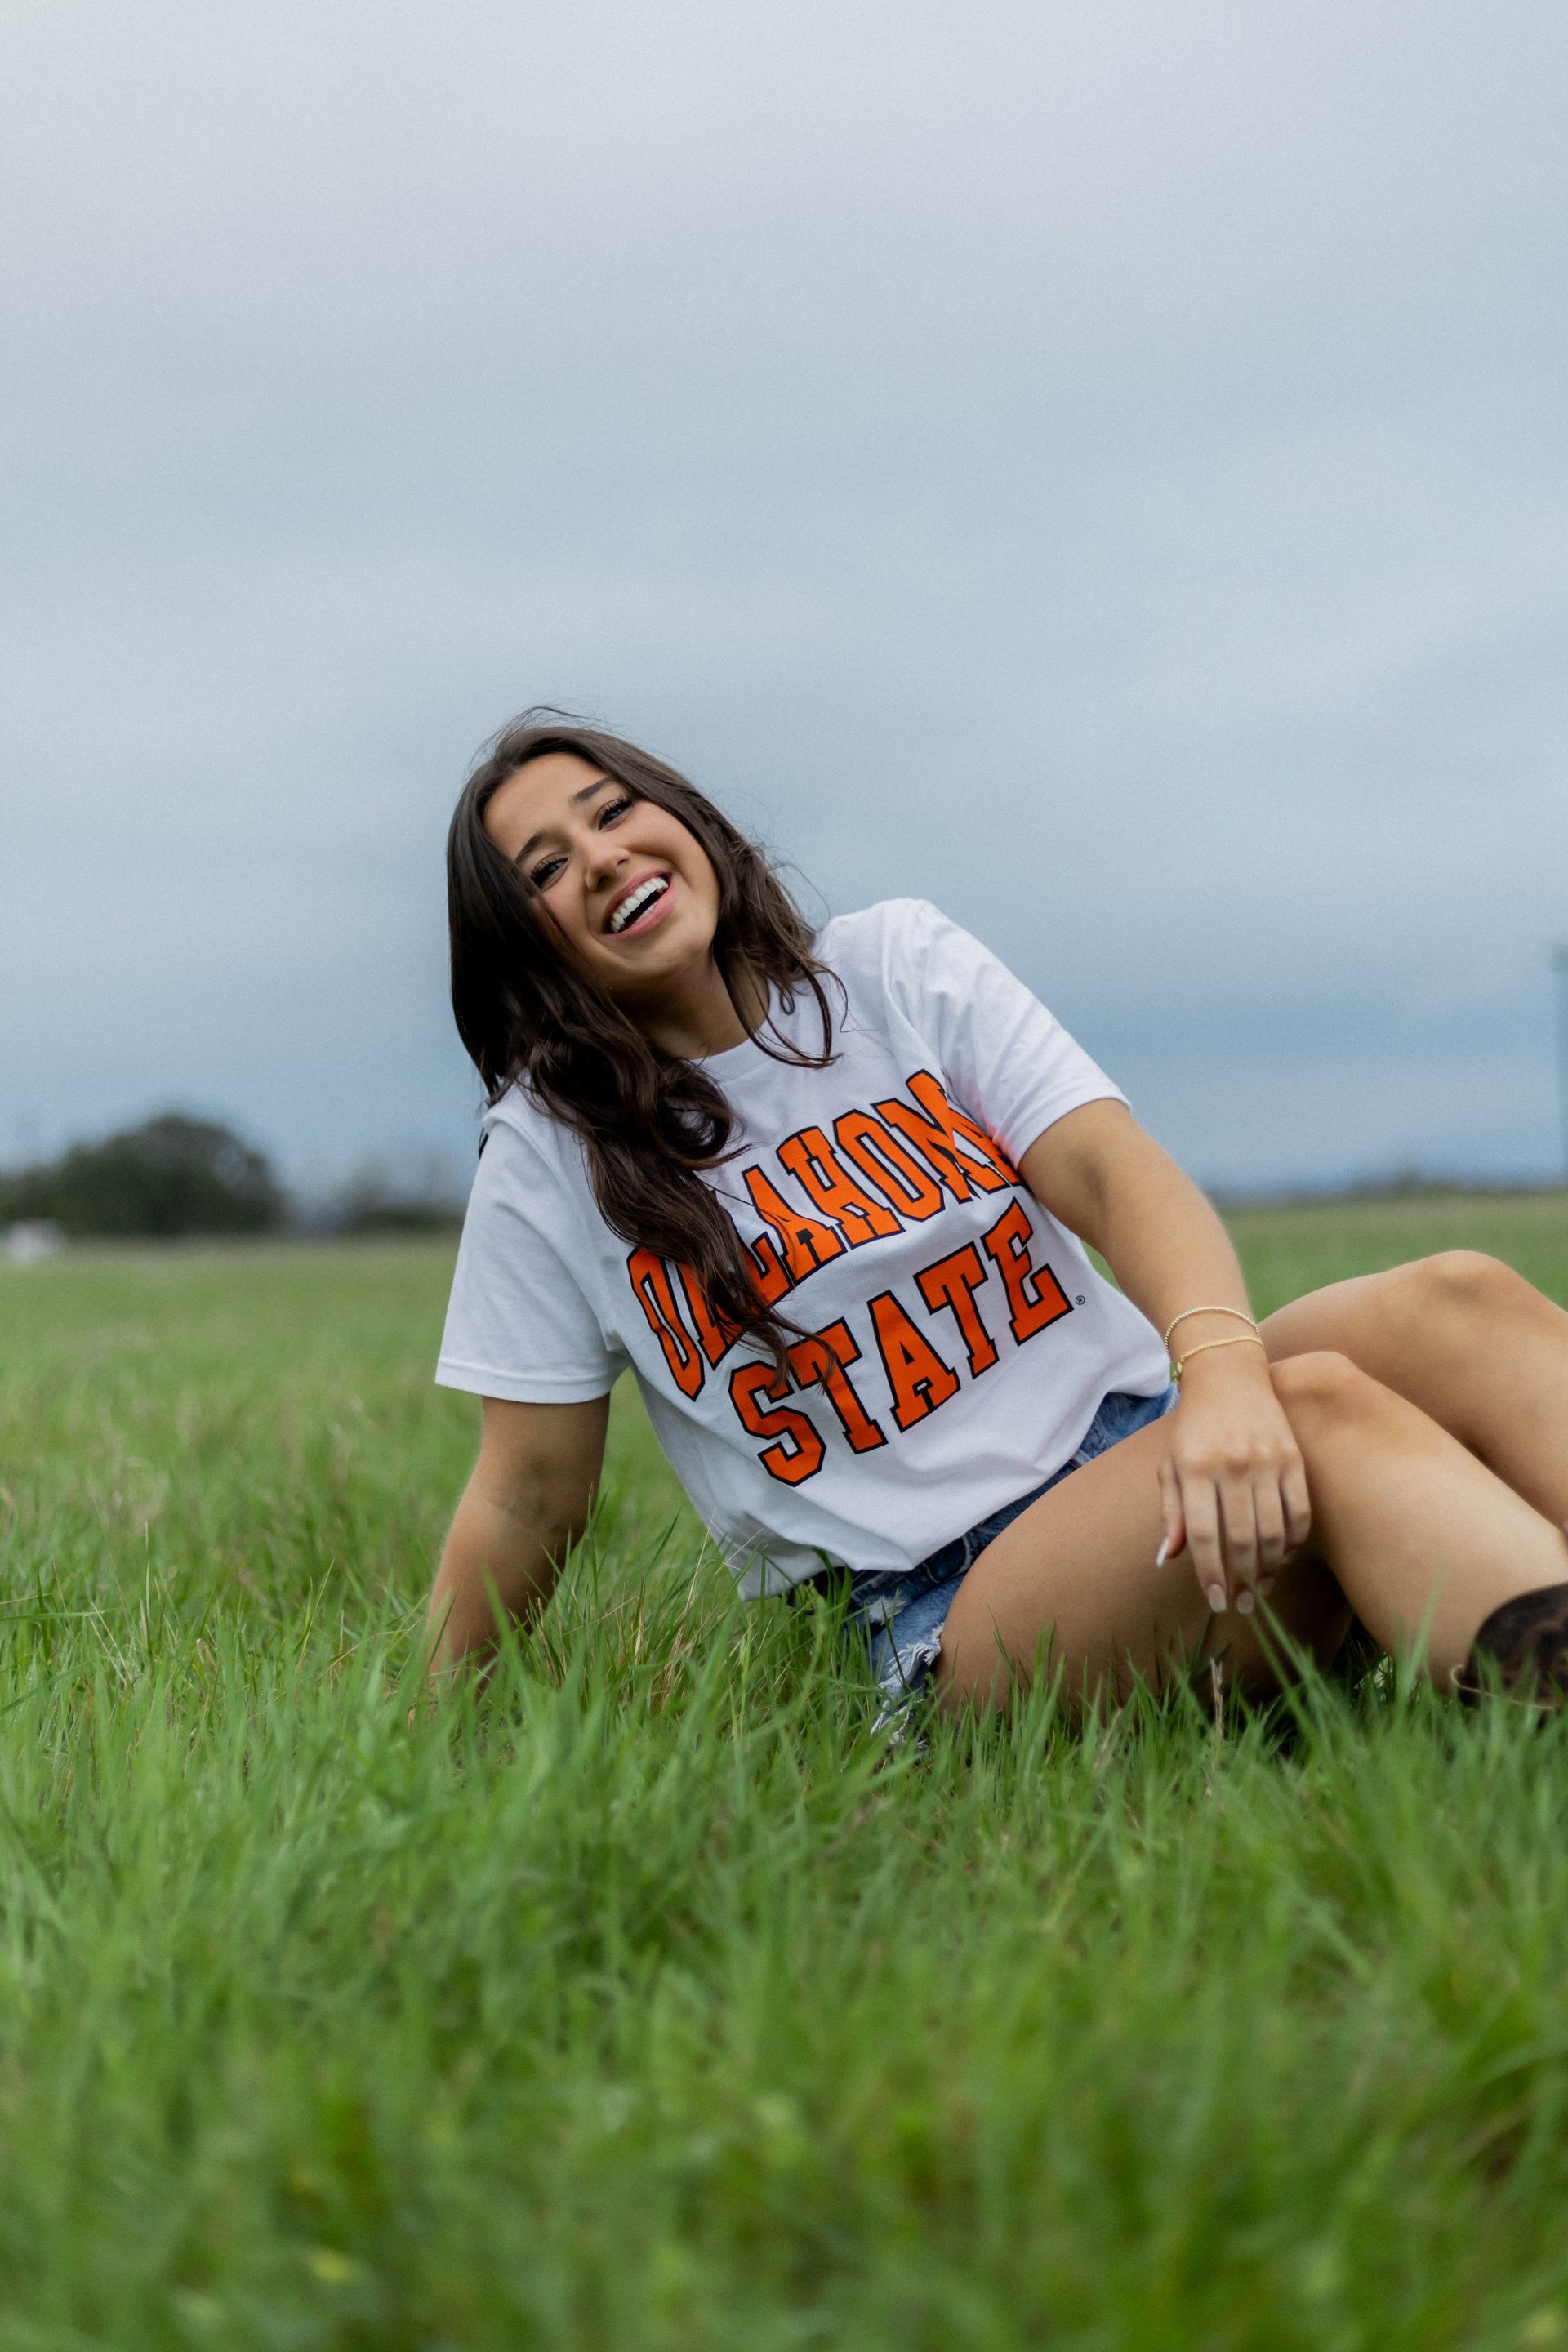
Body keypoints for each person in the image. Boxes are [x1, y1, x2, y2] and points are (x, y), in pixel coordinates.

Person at [427, 713, 1568, 1720]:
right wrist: (428, 1734)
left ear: (683, 817)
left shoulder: (892, 969)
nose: (603, 857)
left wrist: (1221, 1379)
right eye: (546, 868)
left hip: (1148, 1437)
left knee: (1449, 1299)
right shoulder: (547, 1158)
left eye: (614, 812)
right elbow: (527, 1491)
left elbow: (1117, 1177)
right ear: (528, 944)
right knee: (1316, 1406)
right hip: (949, 1600)